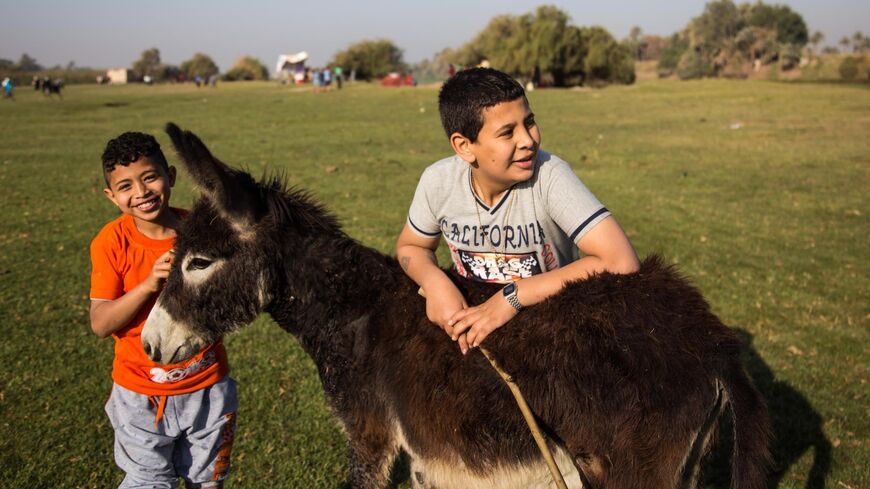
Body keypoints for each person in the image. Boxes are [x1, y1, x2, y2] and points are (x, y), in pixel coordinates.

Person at [396, 68, 640, 354]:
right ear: (464, 146)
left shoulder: (549, 176)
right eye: (507, 132)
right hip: (478, 335)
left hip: (553, 331)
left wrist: (512, 297)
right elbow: (410, 246)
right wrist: (434, 281)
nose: (528, 140)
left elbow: (621, 260)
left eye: (530, 122)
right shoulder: (438, 182)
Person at [90, 132, 237, 488]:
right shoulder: (112, 242)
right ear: (112, 196)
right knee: (148, 482)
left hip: (206, 387)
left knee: (208, 481)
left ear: (170, 176)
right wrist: (148, 285)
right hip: (139, 394)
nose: (141, 192)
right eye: (125, 186)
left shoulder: (199, 233)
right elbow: (100, 322)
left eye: (150, 177)